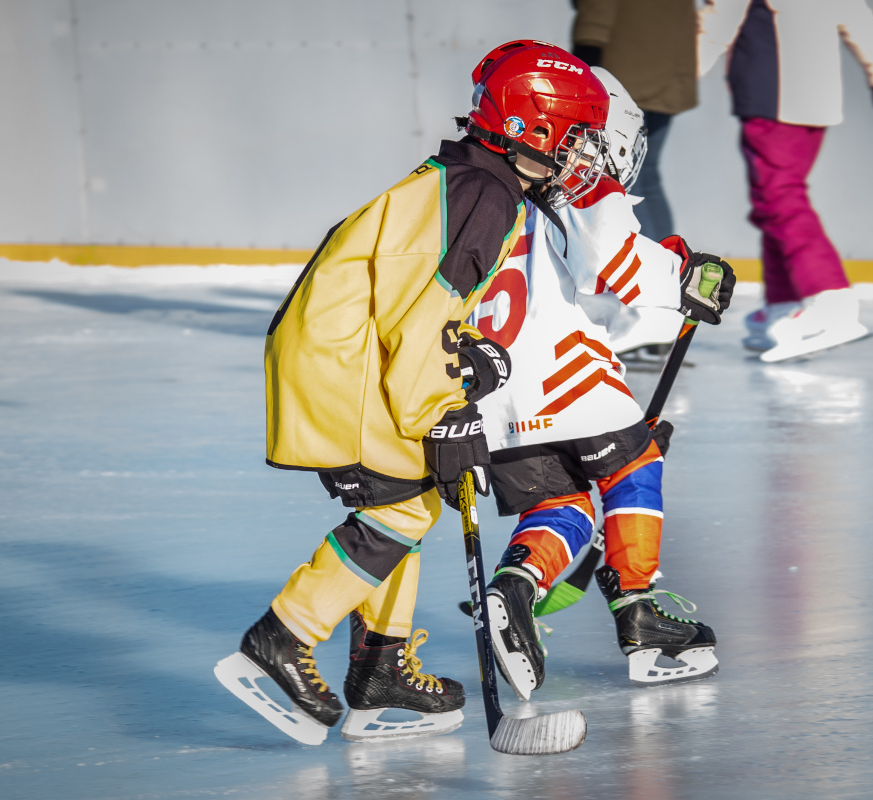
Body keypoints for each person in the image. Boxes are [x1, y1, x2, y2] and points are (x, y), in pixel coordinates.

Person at [214, 40, 612, 744]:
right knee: (399, 512)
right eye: (577, 138)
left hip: (347, 353)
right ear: (531, 128)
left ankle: (380, 668)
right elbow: (419, 314)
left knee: (414, 499)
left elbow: (425, 305)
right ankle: (283, 637)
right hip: (347, 364)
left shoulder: (472, 180)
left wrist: (466, 356)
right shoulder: (485, 196)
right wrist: (444, 411)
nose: (583, 157)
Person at [469, 64, 735, 698]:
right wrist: (683, 278)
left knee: (561, 504)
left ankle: (517, 584)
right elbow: (615, 264)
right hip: (564, 374)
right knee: (635, 458)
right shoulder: (582, 177)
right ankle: (638, 609)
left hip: (488, 392)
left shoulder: (492, 183)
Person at [699, 0, 873, 362]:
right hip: (815, 97)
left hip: (773, 94)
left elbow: (719, 20)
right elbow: (854, 13)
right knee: (772, 203)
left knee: (779, 198)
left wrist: (673, 77)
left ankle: (831, 297)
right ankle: (783, 304)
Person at [571, 0, 700, 243]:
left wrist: (585, 67)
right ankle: (670, 261)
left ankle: (651, 267)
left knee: (625, 174)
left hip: (623, 70)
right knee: (646, 173)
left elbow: (596, 12)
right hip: (670, 71)